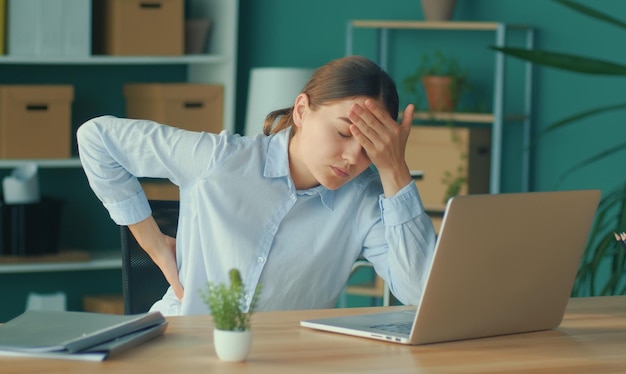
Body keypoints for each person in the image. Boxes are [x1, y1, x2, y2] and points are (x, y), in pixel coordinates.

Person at [77, 55, 436, 316]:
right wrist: (155, 245)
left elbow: (419, 292)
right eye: (343, 133)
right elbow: (96, 138)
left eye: (370, 147)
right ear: (301, 110)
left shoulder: (363, 198)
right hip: (182, 350)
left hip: (287, 361)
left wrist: (395, 172)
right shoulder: (219, 159)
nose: (352, 157)